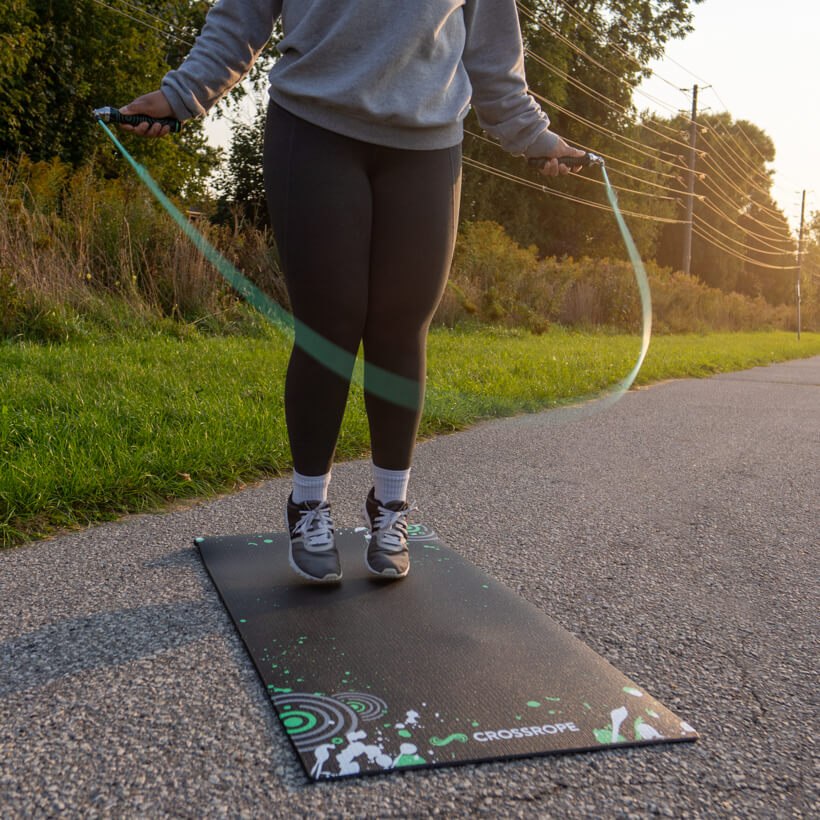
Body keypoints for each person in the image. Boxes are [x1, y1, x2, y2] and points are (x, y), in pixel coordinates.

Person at [120, 0, 585, 584]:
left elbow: (493, 55)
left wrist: (533, 136)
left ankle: (390, 508)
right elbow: (243, 14)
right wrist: (185, 93)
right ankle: (308, 504)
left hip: (426, 143)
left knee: (400, 327)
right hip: (316, 128)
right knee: (330, 324)